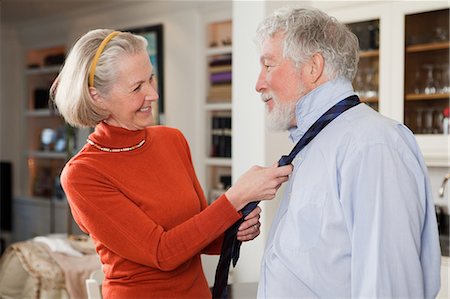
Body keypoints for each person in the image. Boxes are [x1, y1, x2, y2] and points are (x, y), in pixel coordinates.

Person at [50, 29, 292, 299]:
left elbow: (197, 234)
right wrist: (236, 197)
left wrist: (234, 231)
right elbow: (162, 253)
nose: (153, 94)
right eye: (136, 87)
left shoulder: (172, 140)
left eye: (151, 78)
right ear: (97, 97)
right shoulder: (83, 174)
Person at [254, 7, 441, 298]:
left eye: (268, 66)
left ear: (313, 67)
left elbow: (389, 287)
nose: (258, 84)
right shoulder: (317, 142)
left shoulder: (373, 145)